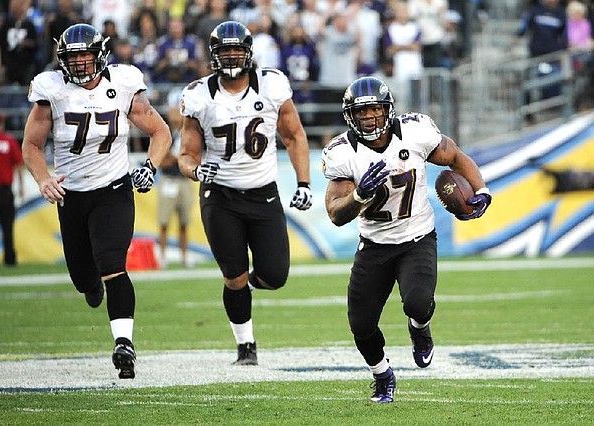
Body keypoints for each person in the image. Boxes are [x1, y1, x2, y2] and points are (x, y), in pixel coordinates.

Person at [321, 76, 491, 403]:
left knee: (418, 301)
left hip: (417, 237)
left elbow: (454, 156)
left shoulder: (416, 133)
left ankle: (419, 327)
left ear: (388, 110)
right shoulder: (343, 154)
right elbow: (335, 213)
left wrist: (480, 190)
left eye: (374, 110)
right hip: (374, 244)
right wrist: (359, 195)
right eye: (362, 112)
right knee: (361, 324)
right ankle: (382, 375)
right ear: (350, 116)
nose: (369, 118)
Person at [21, 23, 172, 379]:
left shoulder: (122, 84)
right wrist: (43, 178)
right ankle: (91, 289)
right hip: (71, 195)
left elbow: (160, 131)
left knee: (112, 263)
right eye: (72, 58)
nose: (80, 64)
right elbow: (30, 145)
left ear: (100, 54)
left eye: (86, 56)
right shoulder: (52, 90)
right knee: (83, 277)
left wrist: (150, 166)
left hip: (113, 190)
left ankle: (124, 343)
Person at [178, 20, 312, 365]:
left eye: (237, 50)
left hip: (263, 192)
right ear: (214, 55)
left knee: (275, 275)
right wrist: (196, 170)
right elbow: (186, 155)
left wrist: (304, 183)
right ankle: (246, 345)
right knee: (234, 277)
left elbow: (294, 136)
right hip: (220, 196)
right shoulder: (199, 95)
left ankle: (242, 290)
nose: (232, 56)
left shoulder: (271, 85)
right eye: (225, 50)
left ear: (249, 53)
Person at [157, 106, 195, 268]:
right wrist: (176, 158)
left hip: (184, 180)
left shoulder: (187, 135)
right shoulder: (165, 135)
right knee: (164, 221)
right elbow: (161, 161)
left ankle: (184, 257)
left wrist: (176, 158)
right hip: (168, 179)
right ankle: (163, 256)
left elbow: (193, 159)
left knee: (184, 222)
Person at [0, 115, 24, 266]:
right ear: (0, 125)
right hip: (5, 190)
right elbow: (18, 163)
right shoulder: (8, 140)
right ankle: (10, 259)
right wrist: (21, 186)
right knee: (7, 226)